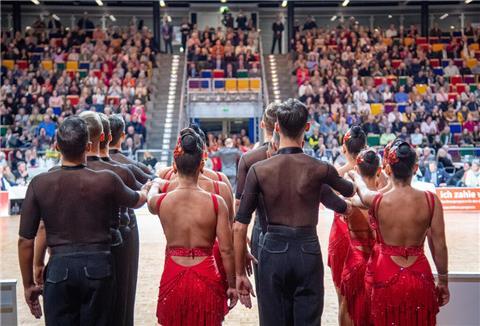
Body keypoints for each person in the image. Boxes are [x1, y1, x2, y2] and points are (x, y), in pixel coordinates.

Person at [234, 99, 354, 325]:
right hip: (307, 249)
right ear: (307, 127)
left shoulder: (258, 170)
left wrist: (239, 272)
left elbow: (240, 224)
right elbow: (348, 192)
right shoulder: (319, 168)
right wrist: (354, 169)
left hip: (272, 249)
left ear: (276, 127)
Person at [18, 117, 149, 325]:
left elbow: (26, 240)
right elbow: (138, 199)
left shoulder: (39, 183)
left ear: (56, 146)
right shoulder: (106, 179)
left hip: (59, 269)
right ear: (88, 146)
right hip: (99, 269)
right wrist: (150, 189)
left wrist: (29, 282)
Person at [351, 140, 449, 325]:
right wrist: (443, 281)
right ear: (415, 167)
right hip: (420, 275)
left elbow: (363, 192)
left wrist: (355, 176)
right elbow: (440, 245)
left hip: (385, 274)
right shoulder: (431, 201)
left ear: (388, 168)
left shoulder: (378, 200)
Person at [147, 128, 238, 325]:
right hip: (207, 272)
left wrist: (155, 183)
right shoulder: (216, 202)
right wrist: (231, 284)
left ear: (175, 166)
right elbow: (226, 249)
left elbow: (149, 199)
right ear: (201, 165)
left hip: (173, 272)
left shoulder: (162, 201)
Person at [235, 103, 280, 305]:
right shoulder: (301, 158)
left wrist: (242, 247)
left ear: (263, 124)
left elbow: (239, 211)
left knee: (269, 306)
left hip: (262, 233)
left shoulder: (249, 159)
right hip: (300, 235)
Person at [328, 126, 366, 321]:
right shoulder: (373, 172)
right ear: (365, 146)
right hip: (366, 236)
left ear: (344, 148)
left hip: (341, 235)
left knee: (343, 296)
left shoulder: (336, 173)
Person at [340, 149, 380, 326]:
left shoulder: (349, 200)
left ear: (357, 170)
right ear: (379, 170)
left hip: (355, 262)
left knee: (348, 306)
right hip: (380, 264)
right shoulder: (385, 199)